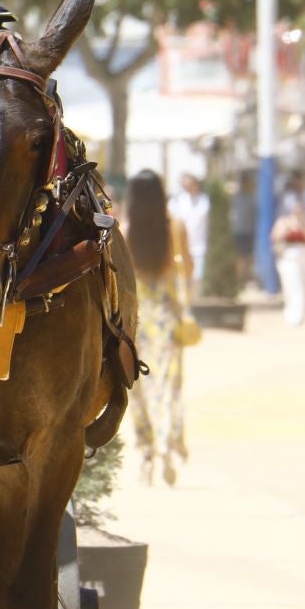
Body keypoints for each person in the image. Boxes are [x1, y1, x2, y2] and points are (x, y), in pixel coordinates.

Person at [124, 172, 195, 486]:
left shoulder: (125, 231)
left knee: (138, 387)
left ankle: (147, 452)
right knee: (169, 386)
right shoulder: (176, 228)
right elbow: (188, 269)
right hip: (167, 318)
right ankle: (168, 446)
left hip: (137, 319)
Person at [269, 194, 305, 326]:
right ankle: (293, 314)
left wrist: (303, 226)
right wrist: (288, 228)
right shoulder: (283, 222)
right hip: (289, 256)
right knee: (293, 286)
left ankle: (304, 312)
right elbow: (275, 237)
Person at [168, 172, 211, 285]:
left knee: (197, 279)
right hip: (181, 248)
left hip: (199, 247)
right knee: (182, 279)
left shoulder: (205, 201)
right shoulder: (177, 202)